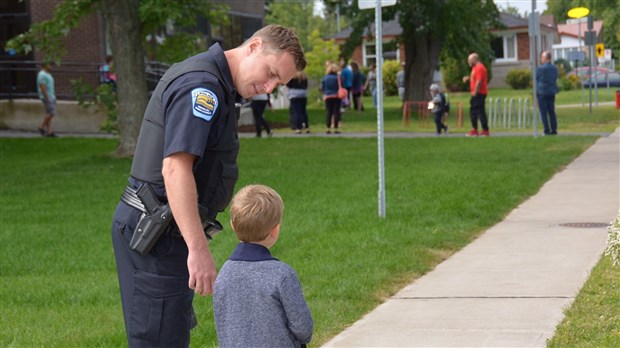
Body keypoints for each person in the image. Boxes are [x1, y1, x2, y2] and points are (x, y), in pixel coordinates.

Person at [111, 24, 305, 348]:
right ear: (254, 46)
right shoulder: (202, 86)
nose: (268, 87)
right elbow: (175, 168)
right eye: (270, 73)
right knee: (159, 340)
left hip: (165, 235)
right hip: (155, 237)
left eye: (278, 83)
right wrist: (198, 249)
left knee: (170, 335)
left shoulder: (218, 85)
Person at [213, 184, 313, 348]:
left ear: (232, 225)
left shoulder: (223, 275)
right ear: (275, 230)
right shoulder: (282, 275)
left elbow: (223, 326)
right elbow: (304, 329)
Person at [463, 53, 490, 137]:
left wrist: (475, 92)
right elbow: (475, 78)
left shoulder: (479, 68)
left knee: (476, 111)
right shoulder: (475, 68)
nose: (468, 62)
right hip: (478, 93)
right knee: (477, 111)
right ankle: (480, 129)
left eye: (469, 60)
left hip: (479, 93)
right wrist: (468, 78)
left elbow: (479, 81)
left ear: (474, 59)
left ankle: (479, 130)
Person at [536, 50, 559, 135]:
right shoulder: (554, 68)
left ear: (545, 58)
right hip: (551, 91)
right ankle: (554, 129)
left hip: (542, 92)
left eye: (542, 57)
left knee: (543, 111)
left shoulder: (540, 68)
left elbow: (536, 78)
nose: (541, 59)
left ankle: (546, 130)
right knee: (551, 110)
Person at [37, 62, 57, 137]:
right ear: (45, 65)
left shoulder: (48, 74)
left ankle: (49, 132)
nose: (52, 66)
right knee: (52, 113)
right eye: (50, 65)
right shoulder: (42, 74)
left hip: (51, 96)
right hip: (47, 97)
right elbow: (42, 86)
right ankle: (41, 127)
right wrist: (47, 97)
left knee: (48, 113)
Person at [321, 63, 342, 134]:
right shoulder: (338, 77)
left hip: (328, 97)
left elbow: (323, 88)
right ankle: (336, 128)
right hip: (336, 96)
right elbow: (342, 86)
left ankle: (328, 128)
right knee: (336, 112)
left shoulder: (325, 78)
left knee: (329, 112)